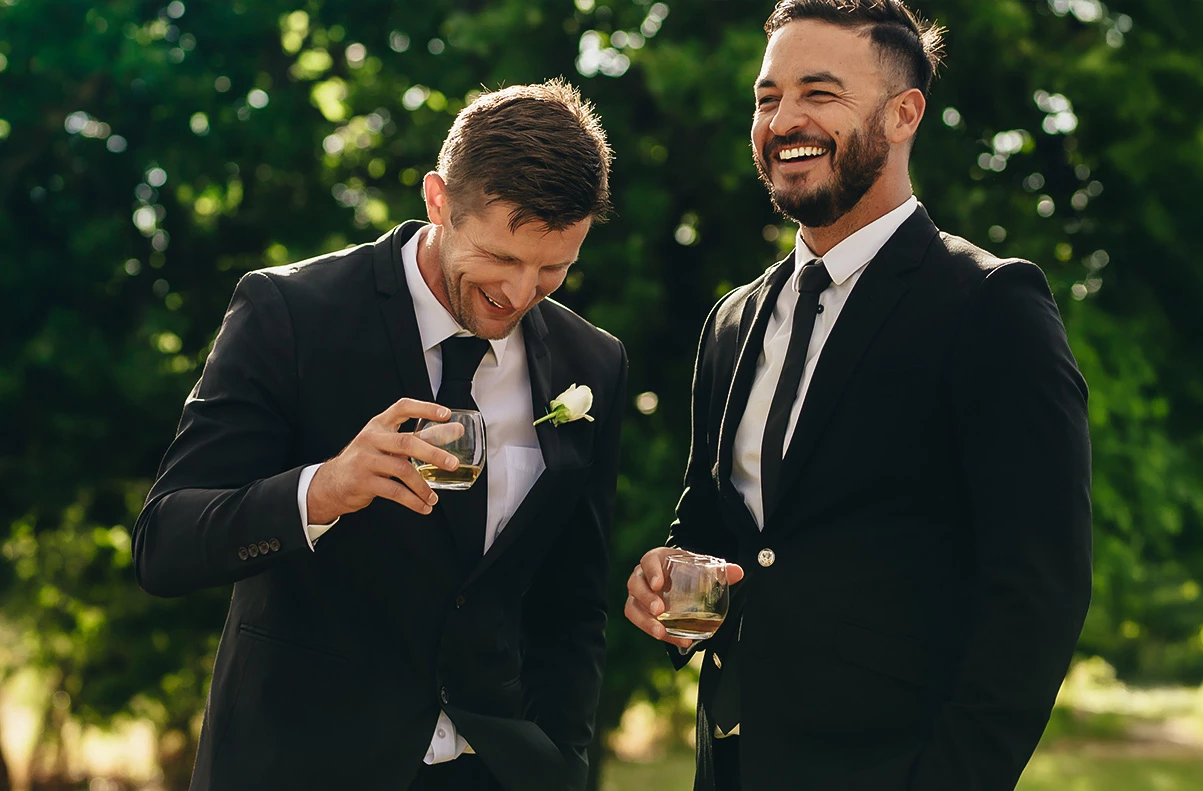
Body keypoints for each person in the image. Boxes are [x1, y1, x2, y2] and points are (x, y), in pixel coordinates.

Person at [624, 2, 1092, 789]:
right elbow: (716, 528)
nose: (783, 119)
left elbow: (1039, 588)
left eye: (819, 92)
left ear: (904, 112)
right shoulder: (732, 320)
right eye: (767, 97)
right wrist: (667, 575)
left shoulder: (990, 305)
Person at [133, 79, 626, 791]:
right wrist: (322, 489)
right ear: (438, 201)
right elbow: (164, 543)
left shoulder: (593, 363)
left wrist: (562, 764)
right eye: (502, 258)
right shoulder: (290, 315)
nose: (520, 294)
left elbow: (574, 606)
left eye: (554, 269)